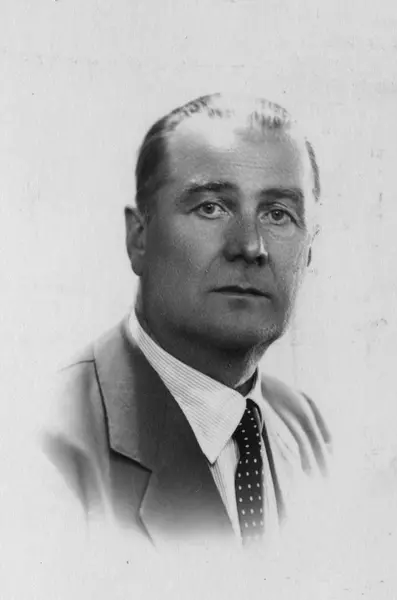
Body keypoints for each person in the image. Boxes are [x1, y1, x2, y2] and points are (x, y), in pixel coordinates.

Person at [43, 92, 331, 551]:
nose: (250, 246)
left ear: (309, 249)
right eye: (211, 207)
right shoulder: (53, 444)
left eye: (278, 214)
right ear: (138, 238)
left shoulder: (308, 428)